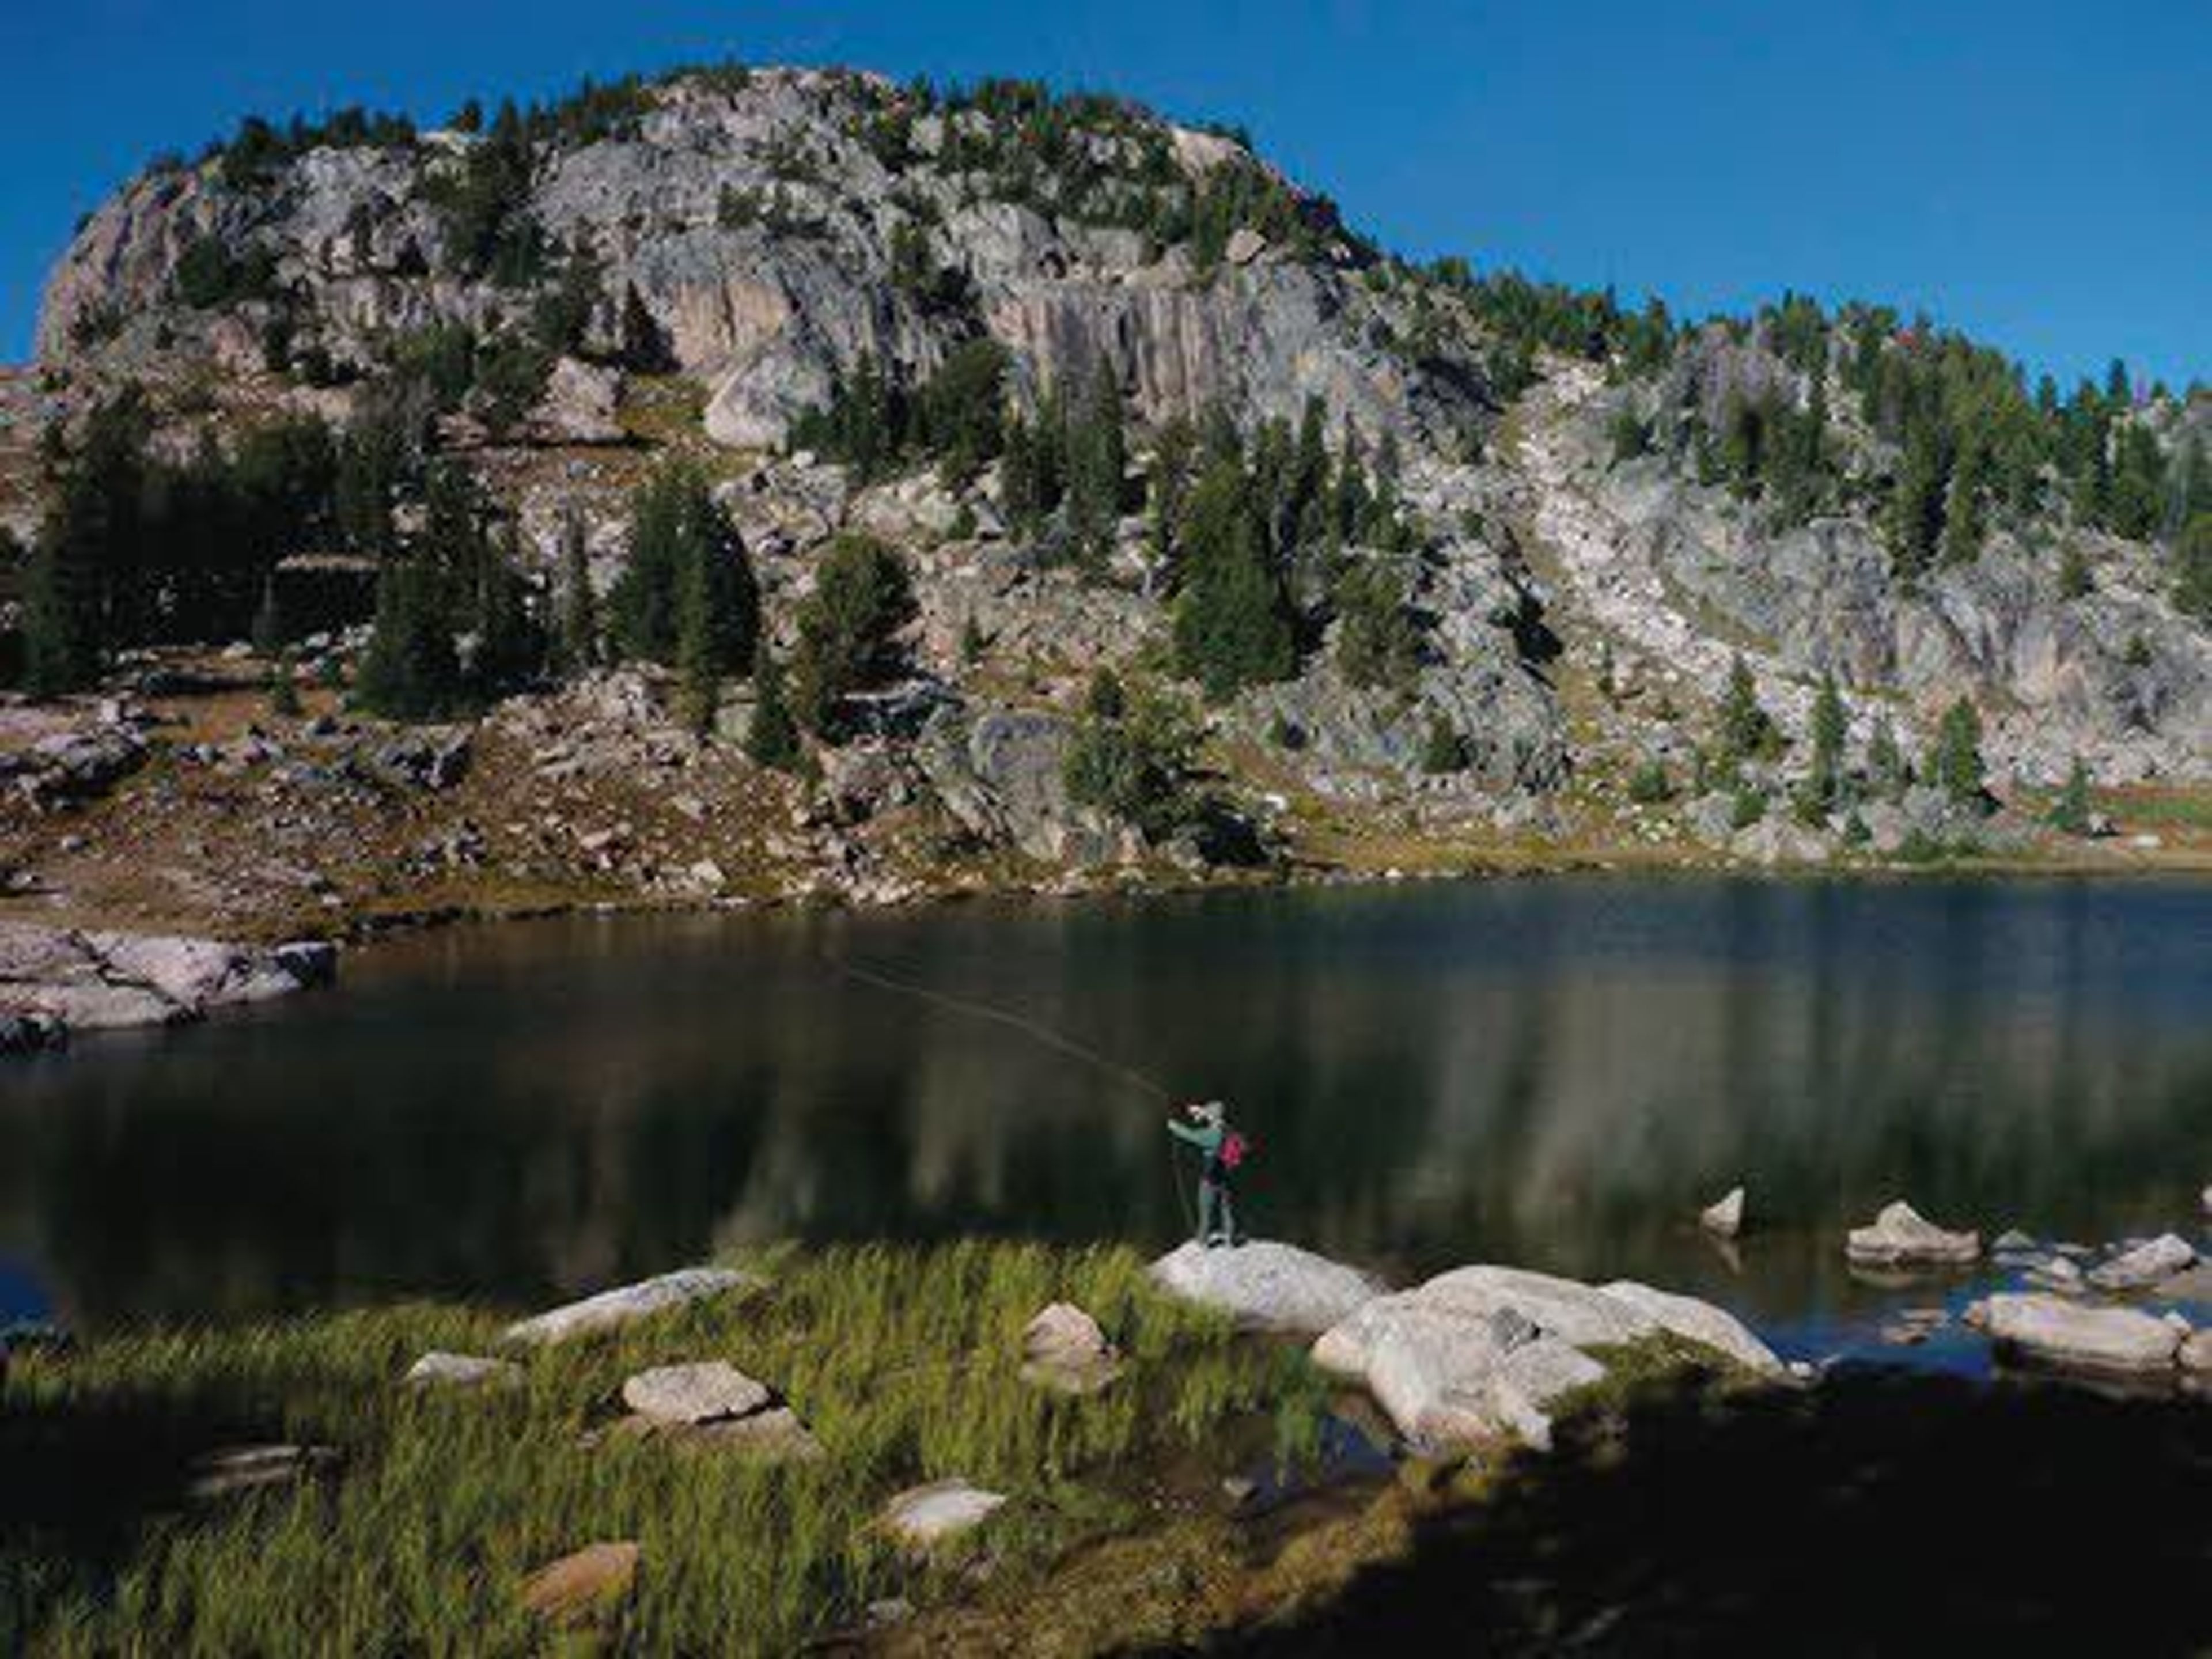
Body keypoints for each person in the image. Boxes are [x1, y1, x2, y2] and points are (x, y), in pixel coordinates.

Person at [1166, 1100, 1240, 1248]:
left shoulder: (1211, 1136)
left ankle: (1203, 1240)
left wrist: (1174, 1127)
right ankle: (1230, 1238)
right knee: (1226, 1209)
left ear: (1213, 1118)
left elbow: (1191, 1135)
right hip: (1225, 1177)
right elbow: (1212, 1116)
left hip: (1210, 1179)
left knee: (1205, 1209)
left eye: (1208, 1114)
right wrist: (1199, 1111)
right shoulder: (1227, 1129)